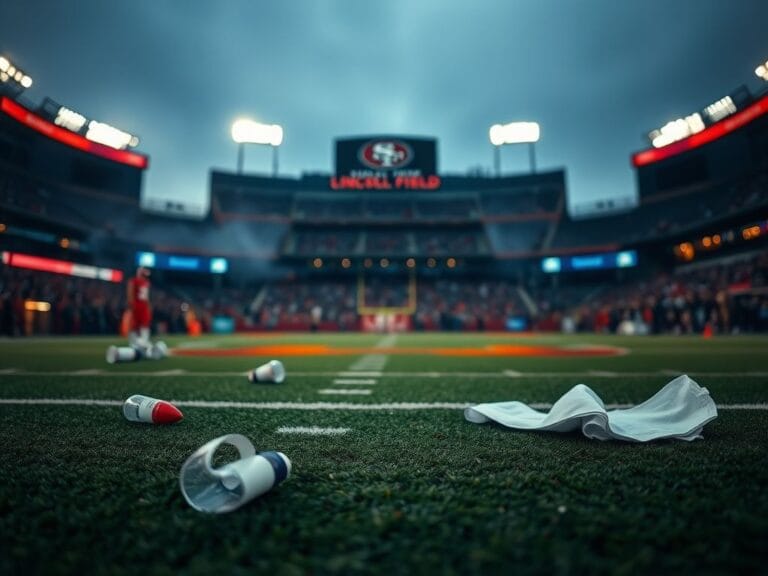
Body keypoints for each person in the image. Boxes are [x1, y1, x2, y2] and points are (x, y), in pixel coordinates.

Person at [127, 266, 152, 350]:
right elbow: (130, 292)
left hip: (143, 305)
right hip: (136, 305)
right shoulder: (134, 281)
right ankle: (133, 342)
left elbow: (146, 296)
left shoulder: (146, 282)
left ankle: (144, 341)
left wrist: (148, 305)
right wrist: (131, 304)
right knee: (134, 325)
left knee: (145, 323)